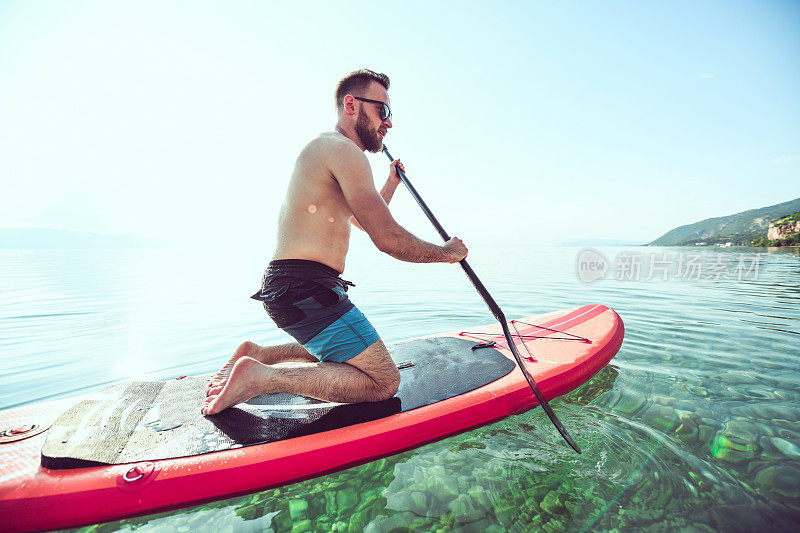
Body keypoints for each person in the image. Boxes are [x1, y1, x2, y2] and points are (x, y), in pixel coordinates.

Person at [201, 69, 468, 415]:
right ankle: (261, 377)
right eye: (382, 111)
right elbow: (386, 238)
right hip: (306, 287)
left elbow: (360, 219)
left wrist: (391, 183)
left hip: (293, 285)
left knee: (341, 352)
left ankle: (261, 354)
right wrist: (448, 254)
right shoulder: (343, 151)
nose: (388, 123)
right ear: (351, 104)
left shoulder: (329, 150)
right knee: (382, 381)